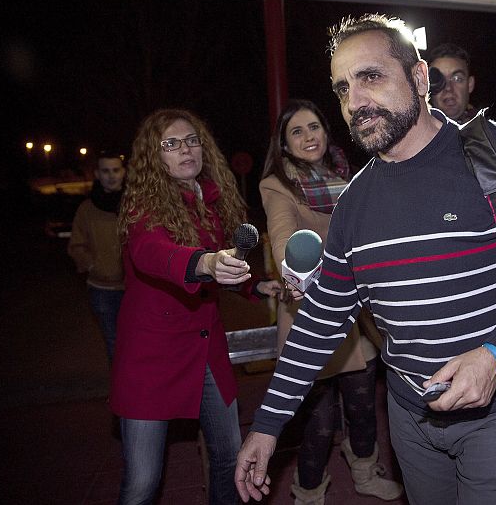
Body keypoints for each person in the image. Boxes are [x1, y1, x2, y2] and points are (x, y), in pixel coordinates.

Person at [236, 14, 496, 505]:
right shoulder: (354, 204)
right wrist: (266, 425)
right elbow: (321, 320)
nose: (355, 102)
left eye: (371, 76)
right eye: (343, 88)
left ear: (420, 77)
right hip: (410, 417)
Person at [110, 108, 274, 505]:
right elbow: (151, 253)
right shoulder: (142, 207)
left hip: (205, 348)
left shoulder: (211, 201)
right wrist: (204, 262)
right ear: (154, 156)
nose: (185, 149)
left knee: (230, 458)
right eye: (171, 143)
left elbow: (222, 265)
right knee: (143, 482)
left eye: (191, 140)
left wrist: (255, 285)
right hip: (151, 356)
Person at [259, 99, 403, 503]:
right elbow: (283, 235)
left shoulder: (349, 176)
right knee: (318, 422)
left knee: (363, 408)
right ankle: (308, 492)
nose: (309, 137)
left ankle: (365, 473)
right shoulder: (278, 185)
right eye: (297, 131)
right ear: (284, 144)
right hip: (310, 311)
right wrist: (295, 269)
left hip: (355, 315)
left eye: (314, 127)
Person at [68, 150, 126, 362]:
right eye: (105, 171)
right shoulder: (86, 209)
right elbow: (76, 245)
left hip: (135, 288)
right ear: (97, 174)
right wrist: (94, 265)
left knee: (142, 342)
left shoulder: (135, 204)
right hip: (102, 290)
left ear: (123, 172)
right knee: (114, 343)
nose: (111, 176)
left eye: (115, 170)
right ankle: (122, 384)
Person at [428, 43, 477, 123]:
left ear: (470, 84)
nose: (448, 88)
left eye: (457, 79)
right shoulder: (412, 130)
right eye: (438, 79)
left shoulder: (489, 129)